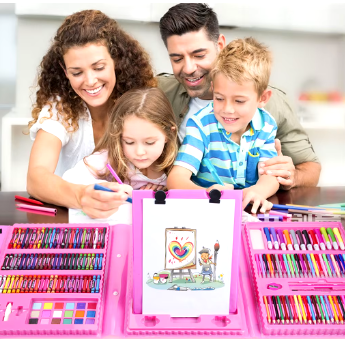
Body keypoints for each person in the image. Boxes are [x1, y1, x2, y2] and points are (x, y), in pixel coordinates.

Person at [158, 3, 321, 190]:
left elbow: (311, 169)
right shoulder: (159, 92)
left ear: (219, 45)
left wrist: (290, 177)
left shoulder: (272, 106)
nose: (188, 68)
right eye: (177, 59)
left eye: (199, 55)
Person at [27, 10, 156, 218]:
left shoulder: (138, 104)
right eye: (77, 72)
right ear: (64, 70)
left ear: (116, 60)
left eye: (99, 67)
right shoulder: (61, 109)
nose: (90, 81)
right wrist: (80, 196)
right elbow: (36, 178)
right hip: (74, 223)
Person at [167, 38, 280, 213]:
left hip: (246, 211)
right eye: (219, 98)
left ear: (262, 99)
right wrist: (205, 193)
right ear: (213, 88)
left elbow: (270, 176)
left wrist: (257, 192)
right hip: (205, 210)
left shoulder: (266, 125)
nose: (227, 109)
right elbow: (176, 179)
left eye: (239, 101)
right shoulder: (200, 125)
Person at [62, 88, 178, 218]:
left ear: (169, 134)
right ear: (119, 136)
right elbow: (68, 179)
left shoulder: (178, 167)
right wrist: (112, 189)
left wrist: (154, 199)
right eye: (129, 142)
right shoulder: (110, 158)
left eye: (149, 142)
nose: (139, 152)